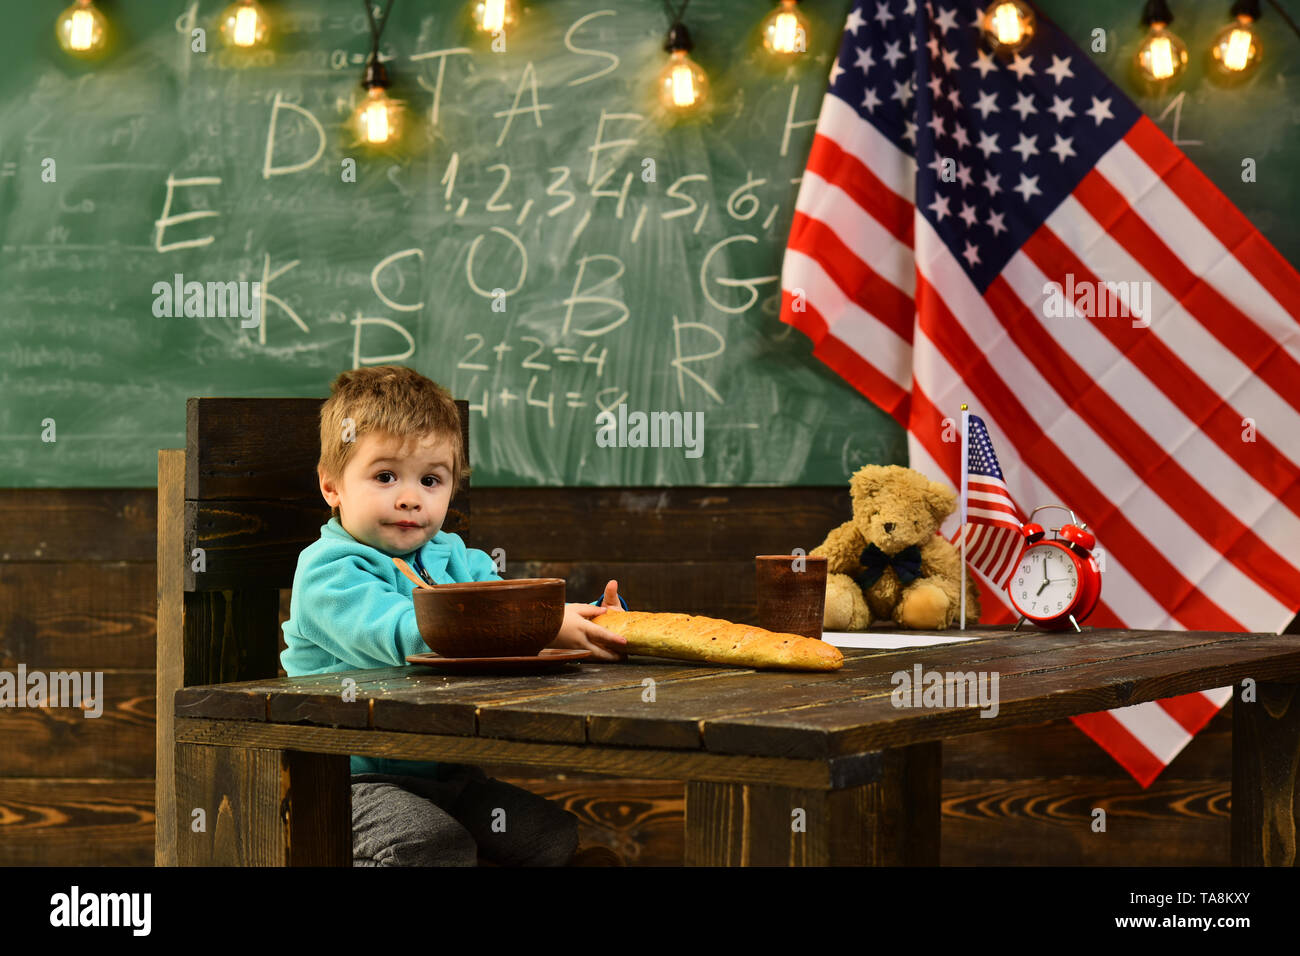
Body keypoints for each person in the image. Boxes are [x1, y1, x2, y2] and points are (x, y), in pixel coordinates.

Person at [281, 364, 630, 866]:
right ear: (332, 487)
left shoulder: (458, 559)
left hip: (450, 777)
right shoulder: (329, 572)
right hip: (347, 782)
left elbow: (512, 619)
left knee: (549, 836)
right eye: (385, 476)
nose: (410, 497)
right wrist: (537, 624)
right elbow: (410, 634)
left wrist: (588, 623)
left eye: (430, 479)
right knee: (429, 845)